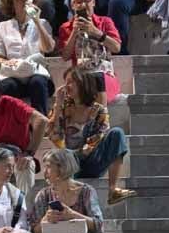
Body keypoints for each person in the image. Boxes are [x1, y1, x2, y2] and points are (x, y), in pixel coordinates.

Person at [48, 68, 135, 205]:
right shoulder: (63, 108)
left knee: (117, 133)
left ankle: (113, 190)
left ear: (83, 84)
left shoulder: (98, 110)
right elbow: (54, 137)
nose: (66, 86)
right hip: (68, 164)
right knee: (61, 153)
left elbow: (93, 144)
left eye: (71, 82)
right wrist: (58, 105)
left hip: (91, 161)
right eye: (66, 82)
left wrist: (74, 154)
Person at [0, 0, 55, 113]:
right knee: (6, 86)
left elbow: (48, 48)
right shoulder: (2, 27)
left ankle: (41, 124)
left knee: (37, 82)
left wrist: (37, 21)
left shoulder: (42, 23)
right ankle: (9, 127)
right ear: (12, 3)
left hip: (36, 73)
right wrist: (6, 62)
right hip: (14, 74)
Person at [56, 0, 123, 103]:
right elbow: (65, 56)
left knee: (98, 78)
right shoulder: (66, 27)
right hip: (81, 75)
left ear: (93, 3)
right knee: (78, 81)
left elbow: (116, 47)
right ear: (72, 5)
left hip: (104, 74)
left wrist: (96, 32)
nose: (83, 5)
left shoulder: (105, 22)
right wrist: (74, 32)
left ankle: (101, 119)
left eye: (87, 1)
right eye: (78, 2)